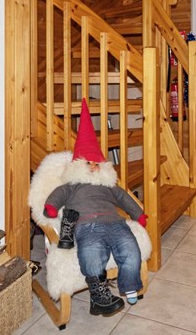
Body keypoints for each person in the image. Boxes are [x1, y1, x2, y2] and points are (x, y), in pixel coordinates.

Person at [43, 98, 148, 317]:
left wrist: (139, 215)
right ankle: (99, 295)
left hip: (116, 224)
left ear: (103, 166)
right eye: (87, 163)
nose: (92, 167)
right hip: (86, 226)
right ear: (77, 166)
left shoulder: (108, 186)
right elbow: (57, 194)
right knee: (90, 254)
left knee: (130, 250)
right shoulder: (72, 185)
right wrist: (51, 207)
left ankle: (129, 286)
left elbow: (124, 198)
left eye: (96, 163)